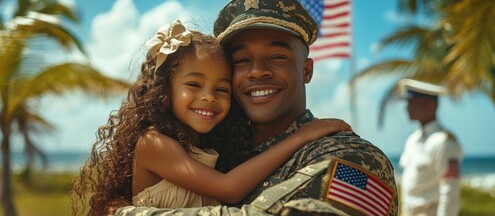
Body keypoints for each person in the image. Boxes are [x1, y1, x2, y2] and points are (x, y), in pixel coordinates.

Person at [116, 0, 399, 216]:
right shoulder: (217, 149)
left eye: (277, 57)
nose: (257, 71)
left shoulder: (347, 155)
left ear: (307, 70)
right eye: (241, 61)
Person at [69, 20, 351, 215]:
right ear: (165, 89)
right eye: (193, 85)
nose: (209, 97)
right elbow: (228, 190)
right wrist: (302, 136)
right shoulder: (154, 143)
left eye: (222, 89)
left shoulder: (211, 148)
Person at [398, 78, 463, 216]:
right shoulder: (413, 139)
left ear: (429, 105)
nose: (407, 107)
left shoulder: (444, 142)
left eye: (411, 102)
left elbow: (450, 194)